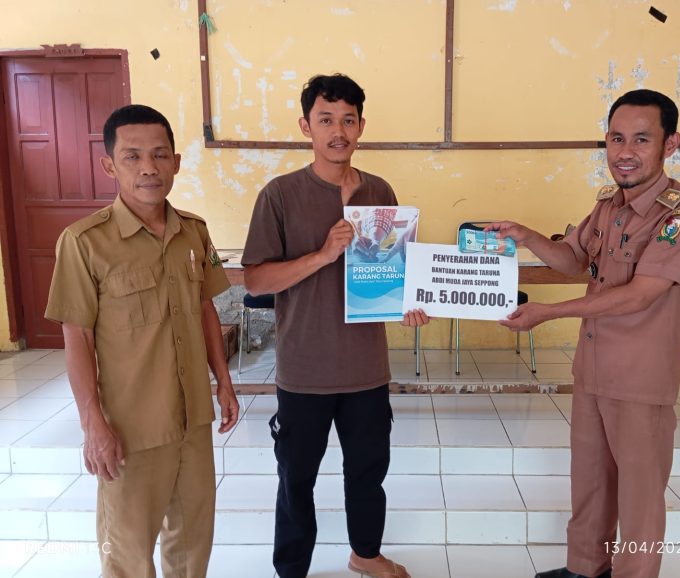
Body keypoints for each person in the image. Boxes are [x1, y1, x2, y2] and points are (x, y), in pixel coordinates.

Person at [488, 89, 680, 578]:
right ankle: (585, 568)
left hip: (640, 378)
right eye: (616, 138)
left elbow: (641, 294)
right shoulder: (610, 205)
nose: (625, 152)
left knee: (639, 495)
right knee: (590, 479)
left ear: (670, 144)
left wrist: (549, 313)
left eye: (641, 139)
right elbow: (573, 260)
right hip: (593, 369)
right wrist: (525, 235)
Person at [242, 73, 428, 578]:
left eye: (348, 120)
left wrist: (410, 301)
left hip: (365, 367)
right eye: (326, 120)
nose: (338, 131)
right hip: (304, 369)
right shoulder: (280, 195)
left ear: (361, 126)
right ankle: (291, 568)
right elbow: (256, 279)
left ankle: (365, 554)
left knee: (367, 472)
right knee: (295, 478)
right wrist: (323, 254)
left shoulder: (379, 191)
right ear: (306, 126)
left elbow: (392, 272)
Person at [45, 104, 240, 577]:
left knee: (192, 545)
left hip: (192, 419)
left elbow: (205, 309)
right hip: (131, 428)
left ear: (176, 162)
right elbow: (77, 336)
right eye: (132, 156)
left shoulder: (194, 232)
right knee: (128, 556)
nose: (149, 167)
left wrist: (223, 382)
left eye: (160, 154)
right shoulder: (84, 242)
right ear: (109, 165)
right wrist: (93, 424)